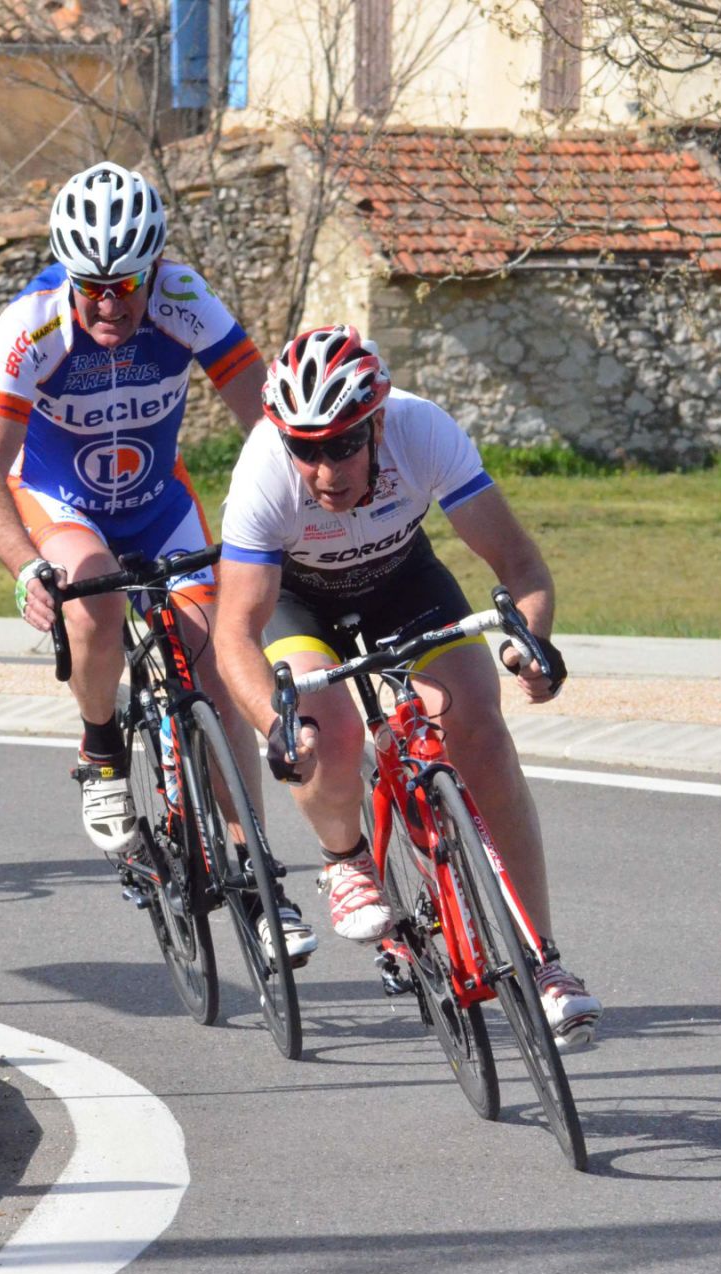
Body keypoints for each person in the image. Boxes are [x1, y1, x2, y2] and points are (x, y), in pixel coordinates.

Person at [0, 161, 320, 961]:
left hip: (158, 505)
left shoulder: (185, 299)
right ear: (67, 275)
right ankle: (101, 749)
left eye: (127, 284)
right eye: (92, 287)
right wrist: (24, 567)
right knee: (93, 595)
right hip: (62, 504)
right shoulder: (33, 324)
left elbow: (267, 423)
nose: (110, 304)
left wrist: (298, 513)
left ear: (155, 267)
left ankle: (258, 880)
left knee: (219, 671)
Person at [212, 325, 602, 1046]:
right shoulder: (265, 471)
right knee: (326, 729)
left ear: (377, 426)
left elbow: (520, 565)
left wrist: (533, 643)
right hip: (299, 602)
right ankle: (344, 858)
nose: (324, 469)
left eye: (342, 445)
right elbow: (234, 631)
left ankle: (543, 961)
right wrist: (275, 723)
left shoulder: (422, 430)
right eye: (305, 449)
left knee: (479, 731)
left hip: (404, 581)